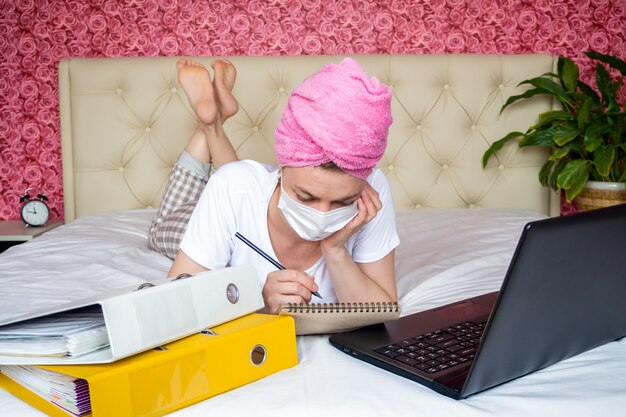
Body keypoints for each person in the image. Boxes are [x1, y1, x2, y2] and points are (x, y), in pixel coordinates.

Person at [149, 57, 400, 314]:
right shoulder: (232, 187)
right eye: (305, 197)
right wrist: (260, 305)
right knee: (161, 230)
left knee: (235, 181)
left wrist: (335, 250)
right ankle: (210, 124)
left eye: (343, 202)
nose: (322, 216)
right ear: (281, 169)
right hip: (203, 211)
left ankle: (211, 122)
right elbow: (174, 303)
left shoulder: (373, 190)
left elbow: (382, 311)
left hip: (236, 188)